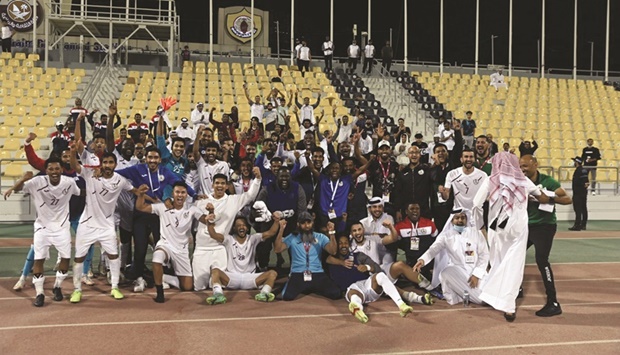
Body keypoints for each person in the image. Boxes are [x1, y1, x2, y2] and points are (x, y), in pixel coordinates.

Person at [473, 152, 549, 322]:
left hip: (497, 229)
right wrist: (549, 197)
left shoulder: (490, 180)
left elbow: (476, 204)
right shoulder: (523, 180)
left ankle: (491, 295)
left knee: (497, 263)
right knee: (514, 266)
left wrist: (480, 225)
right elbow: (541, 196)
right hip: (518, 229)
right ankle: (508, 306)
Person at [116, 147, 196, 292]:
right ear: (146, 159)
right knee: (140, 248)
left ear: (160, 160)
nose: (152, 161)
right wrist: (100, 172)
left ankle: (163, 276)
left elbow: (179, 183)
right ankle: (139, 278)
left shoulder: (165, 172)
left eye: (155, 158)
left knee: (162, 245)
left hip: (158, 214)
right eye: (150, 158)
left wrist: (195, 195)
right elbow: (117, 174)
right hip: (141, 212)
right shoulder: (136, 169)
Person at [68, 142, 138, 303]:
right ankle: (77, 290)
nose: (107, 165)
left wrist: (142, 194)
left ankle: (114, 287)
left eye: (110, 162)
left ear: (115, 164)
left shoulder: (120, 180)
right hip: (87, 224)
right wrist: (73, 153)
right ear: (101, 163)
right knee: (79, 257)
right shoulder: (91, 173)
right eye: (105, 162)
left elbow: (133, 189)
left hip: (107, 225)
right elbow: (74, 166)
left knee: (113, 256)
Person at [19, 157, 81, 307]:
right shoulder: (37, 182)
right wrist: (22, 179)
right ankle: (39, 293)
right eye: (51, 169)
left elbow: (79, 193)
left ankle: (57, 286)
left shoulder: (69, 182)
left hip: (62, 228)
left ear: (62, 169)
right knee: (39, 260)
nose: (54, 172)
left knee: (66, 259)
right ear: (46, 171)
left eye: (57, 169)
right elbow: (20, 188)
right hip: (42, 228)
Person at [135, 182, 209, 303]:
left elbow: (204, 219)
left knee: (187, 286)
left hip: (181, 250)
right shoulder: (162, 207)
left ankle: (159, 277)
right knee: (157, 258)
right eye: (177, 192)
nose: (180, 195)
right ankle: (160, 292)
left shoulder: (192, 209)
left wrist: (210, 214)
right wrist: (141, 195)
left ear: (186, 195)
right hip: (165, 245)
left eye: (183, 192)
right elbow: (140, 207)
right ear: (172, 194)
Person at [192, 168, 262, 291]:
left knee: (217, 283)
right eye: (217, 183)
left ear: (226, 186)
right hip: (201, 248)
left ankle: (218, 298)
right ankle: (166, 278)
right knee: (198, 287)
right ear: (212, 185)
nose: (220, 186)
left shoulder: (233, 200)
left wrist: (257, 179)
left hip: (220, 248)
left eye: (223, 183)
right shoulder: (201, 202)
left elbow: (250, 195)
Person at [519, 154, 572, 317]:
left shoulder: (549, 181)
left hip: (544, 226)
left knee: (541, 260)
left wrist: (547, 198)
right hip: (525, 226)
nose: (523, 170)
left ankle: (553, 302)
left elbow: (567, 199)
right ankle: (516, 288)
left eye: (525, 166)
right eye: (520, 166)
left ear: (535, 164)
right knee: (515, 256)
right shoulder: (520, 181)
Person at [413, 210, 489, 306]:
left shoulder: (476, 233)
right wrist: (422, 260)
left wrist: (477, 274)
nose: (460, 220)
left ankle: (469, 295)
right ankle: (461, 297)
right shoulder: (446, 236)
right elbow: (433, 249)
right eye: (457, 218)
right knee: (445, 273)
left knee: (487, 295)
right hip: (458, 270)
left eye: (463, 218)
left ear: (467, 219)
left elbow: (484, 255)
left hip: (476, 271)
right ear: (452, 221)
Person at [204, 215, 283, 304]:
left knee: (273, 273)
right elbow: (213, 234)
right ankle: (218, 295)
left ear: (247, 228)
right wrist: (209, 223)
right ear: (234, 228)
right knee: (215, 271)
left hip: (250, 278)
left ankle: (264, 294)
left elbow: (271, 233)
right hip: (232, 277)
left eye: (244, 225)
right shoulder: (228, 239)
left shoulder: (253, 238)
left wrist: (276, 221)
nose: (241, 227)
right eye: (238, 225)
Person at [274, 212, 341, 301]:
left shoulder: (320, 237)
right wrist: (281, 230)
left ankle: (309, 287)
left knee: (336, 293)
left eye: (308, 222)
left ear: (312, 223)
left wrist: (332, 233)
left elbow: (333, 251)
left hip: (317, 273)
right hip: (298, 273)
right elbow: (277, 249)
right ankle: (303, 286)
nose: (306, 226)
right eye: (303, 223)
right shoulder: (292, 237)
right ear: (298, 224)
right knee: (287, 296)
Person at [439, 149, 488, 228]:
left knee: (476, 240)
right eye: (466, 157)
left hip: (476, 215)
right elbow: (446, 197)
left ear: (474, 159)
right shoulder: (452, 174)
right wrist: (442, 192)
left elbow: (487, 197)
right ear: (461, 159)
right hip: (459, 215)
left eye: (471, 157)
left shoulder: (483, 175)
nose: (468, 159)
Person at [570, 156, 589, 231]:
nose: (574, 163)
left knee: (577, 209)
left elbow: (578, 182)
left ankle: (577, 225)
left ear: (577, 162)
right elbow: (586, 182)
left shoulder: (578, 170)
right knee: (583, 208)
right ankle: (583, 224)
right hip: (583, 192)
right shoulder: (584, 170)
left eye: (575, 161)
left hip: (578, 192)